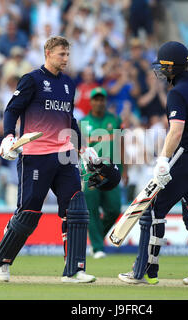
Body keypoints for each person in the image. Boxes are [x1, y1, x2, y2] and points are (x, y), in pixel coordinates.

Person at [118, 41, 188, 286]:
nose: (161, 71)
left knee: (155, 210)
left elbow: (175, 131)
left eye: (164, 66)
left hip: (183, 159)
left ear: (174, 67)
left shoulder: (176, 93)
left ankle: (147, 272)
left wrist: (163, 159)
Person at [0, 36, 96, 283]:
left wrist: (82, 148)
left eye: (68, 54)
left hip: (64, 154)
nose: (66, 59)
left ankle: (74, 270)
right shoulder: (32, 80)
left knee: (76, 209)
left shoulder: (70, 85)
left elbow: (69, 120)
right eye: (62, 54)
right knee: (29, 212)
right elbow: (12, 110)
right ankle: (2, 260)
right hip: (35, 156)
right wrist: (8, 137)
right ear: (48, 53)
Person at [79, 87, 126, 259]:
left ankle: (96, 240)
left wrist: (125, 169)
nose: (99, 102)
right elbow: (78, 148)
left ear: (105, 101)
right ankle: (98, 247)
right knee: (91, 210)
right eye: (96, 99)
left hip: (112, 173)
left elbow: (121, 145)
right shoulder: (82, 122)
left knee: (114, 209)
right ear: (91, 102)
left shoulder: (114, 120)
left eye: (102, 99)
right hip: (90, 173)